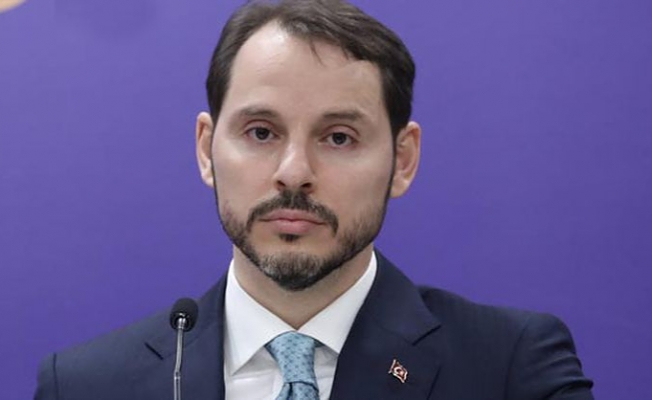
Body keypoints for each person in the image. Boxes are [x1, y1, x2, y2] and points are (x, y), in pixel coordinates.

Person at [34, 0, 594, 399]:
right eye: (261, 132)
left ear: (402, 160)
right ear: (206, 150)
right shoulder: (85, 385)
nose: (294, 173)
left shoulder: (510, 367)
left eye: (339, 138)